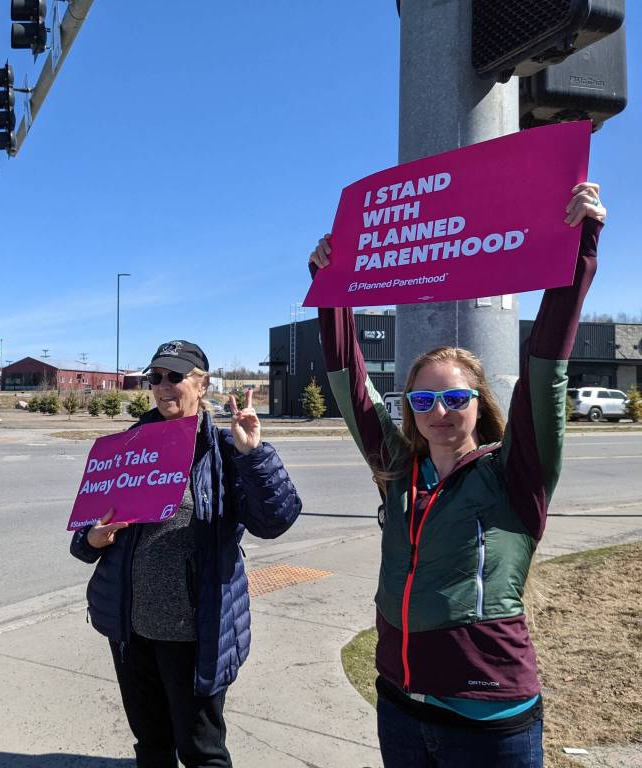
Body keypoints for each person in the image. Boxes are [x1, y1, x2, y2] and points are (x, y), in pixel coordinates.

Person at [307, 182, 605, 768]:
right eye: (422, 402)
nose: (438, 413)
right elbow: (350, 385)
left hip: (488, 719)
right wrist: (332, 288)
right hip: (398, 702)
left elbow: (546, 370)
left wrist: (579, 248)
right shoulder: (398, 472)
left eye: (454, 398)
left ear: (479, 401)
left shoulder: (516, 474)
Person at [70, 340, 302, 767]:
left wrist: (254, 455)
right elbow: (84, 536)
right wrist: (93, 540)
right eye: (154, 377)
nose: (162, 386)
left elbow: (274, 522)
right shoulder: (127, 448)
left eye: (175, 376)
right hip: (131, 630)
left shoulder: (225, 451)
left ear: (202, 384)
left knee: (201, 751)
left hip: (195, 634)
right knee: (152, 746)